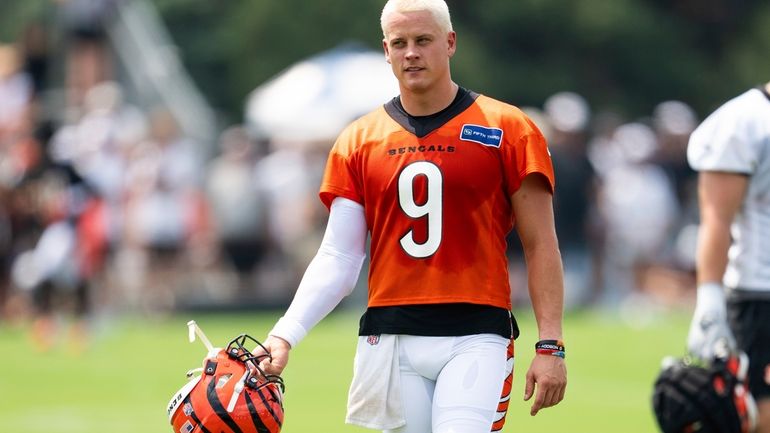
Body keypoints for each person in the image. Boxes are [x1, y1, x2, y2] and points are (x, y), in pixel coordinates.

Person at [257, 1, 568, 432]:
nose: (411, 53)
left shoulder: (509, 128)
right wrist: (285, 333)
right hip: (390, 335)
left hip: (476, 332)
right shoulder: (359, 139)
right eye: (399, 43)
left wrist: (550, 344)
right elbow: (339, 256)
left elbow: (541, 245)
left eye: (423, 40)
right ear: (385, 50)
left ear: (450, 43)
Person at [686, 81, 770, 433]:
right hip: (760, 292)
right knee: (760, 417)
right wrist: (710, 297)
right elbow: (716, 219)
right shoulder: (744, 121)